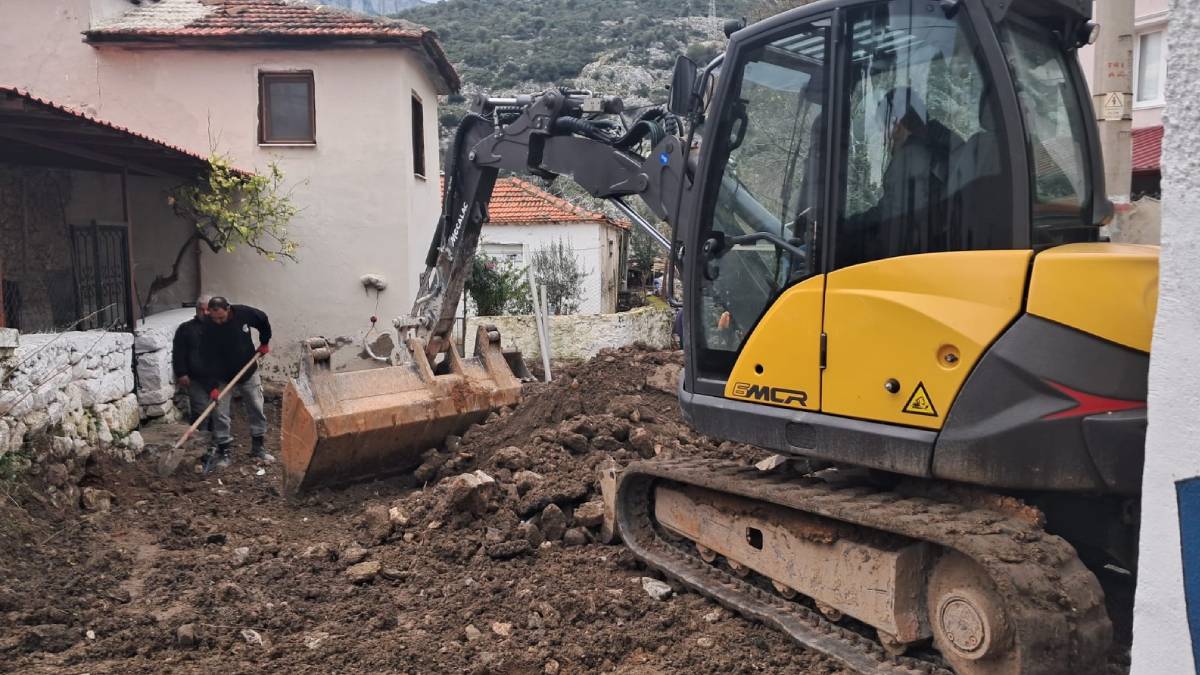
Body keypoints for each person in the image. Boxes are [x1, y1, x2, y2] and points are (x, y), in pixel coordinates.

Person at [201, 296, 272, 467]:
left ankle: (258, 447)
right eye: (214, 318)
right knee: (220, 413)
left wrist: (264, 342)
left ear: (228, 309)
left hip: (248, 370)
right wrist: (212, 387)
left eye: (221, 317)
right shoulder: (208, 327)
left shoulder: (243, 313)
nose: (218, 321)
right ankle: (224, 451)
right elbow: (205, 359)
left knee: (256, 406)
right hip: (222, 376)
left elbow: (263, 319)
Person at [173, 295, 215, 458]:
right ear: (196, 310)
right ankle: (201, 444)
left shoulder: (221, 327)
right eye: (201, 309)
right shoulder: (186, 329)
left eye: (207, 309)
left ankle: (218, 443)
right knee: (201, 410)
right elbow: (179, 352)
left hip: (217, 379)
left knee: (218, 412)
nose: (204, 312)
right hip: (196, 378)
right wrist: (181, 372)